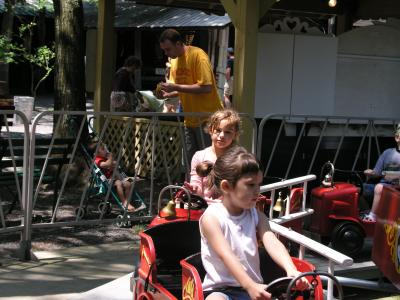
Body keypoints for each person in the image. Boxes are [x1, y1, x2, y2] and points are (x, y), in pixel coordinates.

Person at [199, 146, 309, 299]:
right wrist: (249, 285)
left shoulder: (256, 215)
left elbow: (272, 242)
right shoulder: (212, 217)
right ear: (226, 186)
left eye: (259, 184)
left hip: (255, 288)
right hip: (222, 289)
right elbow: (226, 255)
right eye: (251, 185)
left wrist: (291, 269)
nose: (257, 191)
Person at [158, 29, 223, 165]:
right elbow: (184, 88)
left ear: (178, 44)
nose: (166, 53)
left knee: (208, 163)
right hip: (189, 119)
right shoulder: (174, 61)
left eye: (168, 49)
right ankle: (192, 186)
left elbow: (206, 87)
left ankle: (210, 187)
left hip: (208, 119)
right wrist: (168, 94)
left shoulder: (198, 56)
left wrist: (175, 87)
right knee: (191, 164)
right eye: (164, 50)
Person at [186, 109, 241, 204]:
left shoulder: (238, 157)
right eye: (218, 130)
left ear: (235, 135)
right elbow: (196, 183)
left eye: (228, 132)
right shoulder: (199, 156)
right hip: (204, 206)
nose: (222, 135)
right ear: (211, 130)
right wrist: (194, 188)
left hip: (230, 208)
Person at [361, 125, 400, 222]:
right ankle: (364, 212)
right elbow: (377, 172)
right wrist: (371, 172)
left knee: (379, 187)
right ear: (397, 138)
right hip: (385, 184)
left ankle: (373, 216)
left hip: (396, 186)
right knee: (358, 188)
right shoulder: (387, 153)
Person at [95, 143, 146, 212]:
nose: (106, 151)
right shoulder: (97, 160)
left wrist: (113, 163)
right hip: (106, 181)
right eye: (103, 149)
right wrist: (110, 158)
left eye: (105, 148)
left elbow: (113, 165)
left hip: (116, 178)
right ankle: (124, 202)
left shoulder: (105, 158)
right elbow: (107, 164)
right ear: (97, 153)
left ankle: (128, 202)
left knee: (128, 184)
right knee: (119, 183)